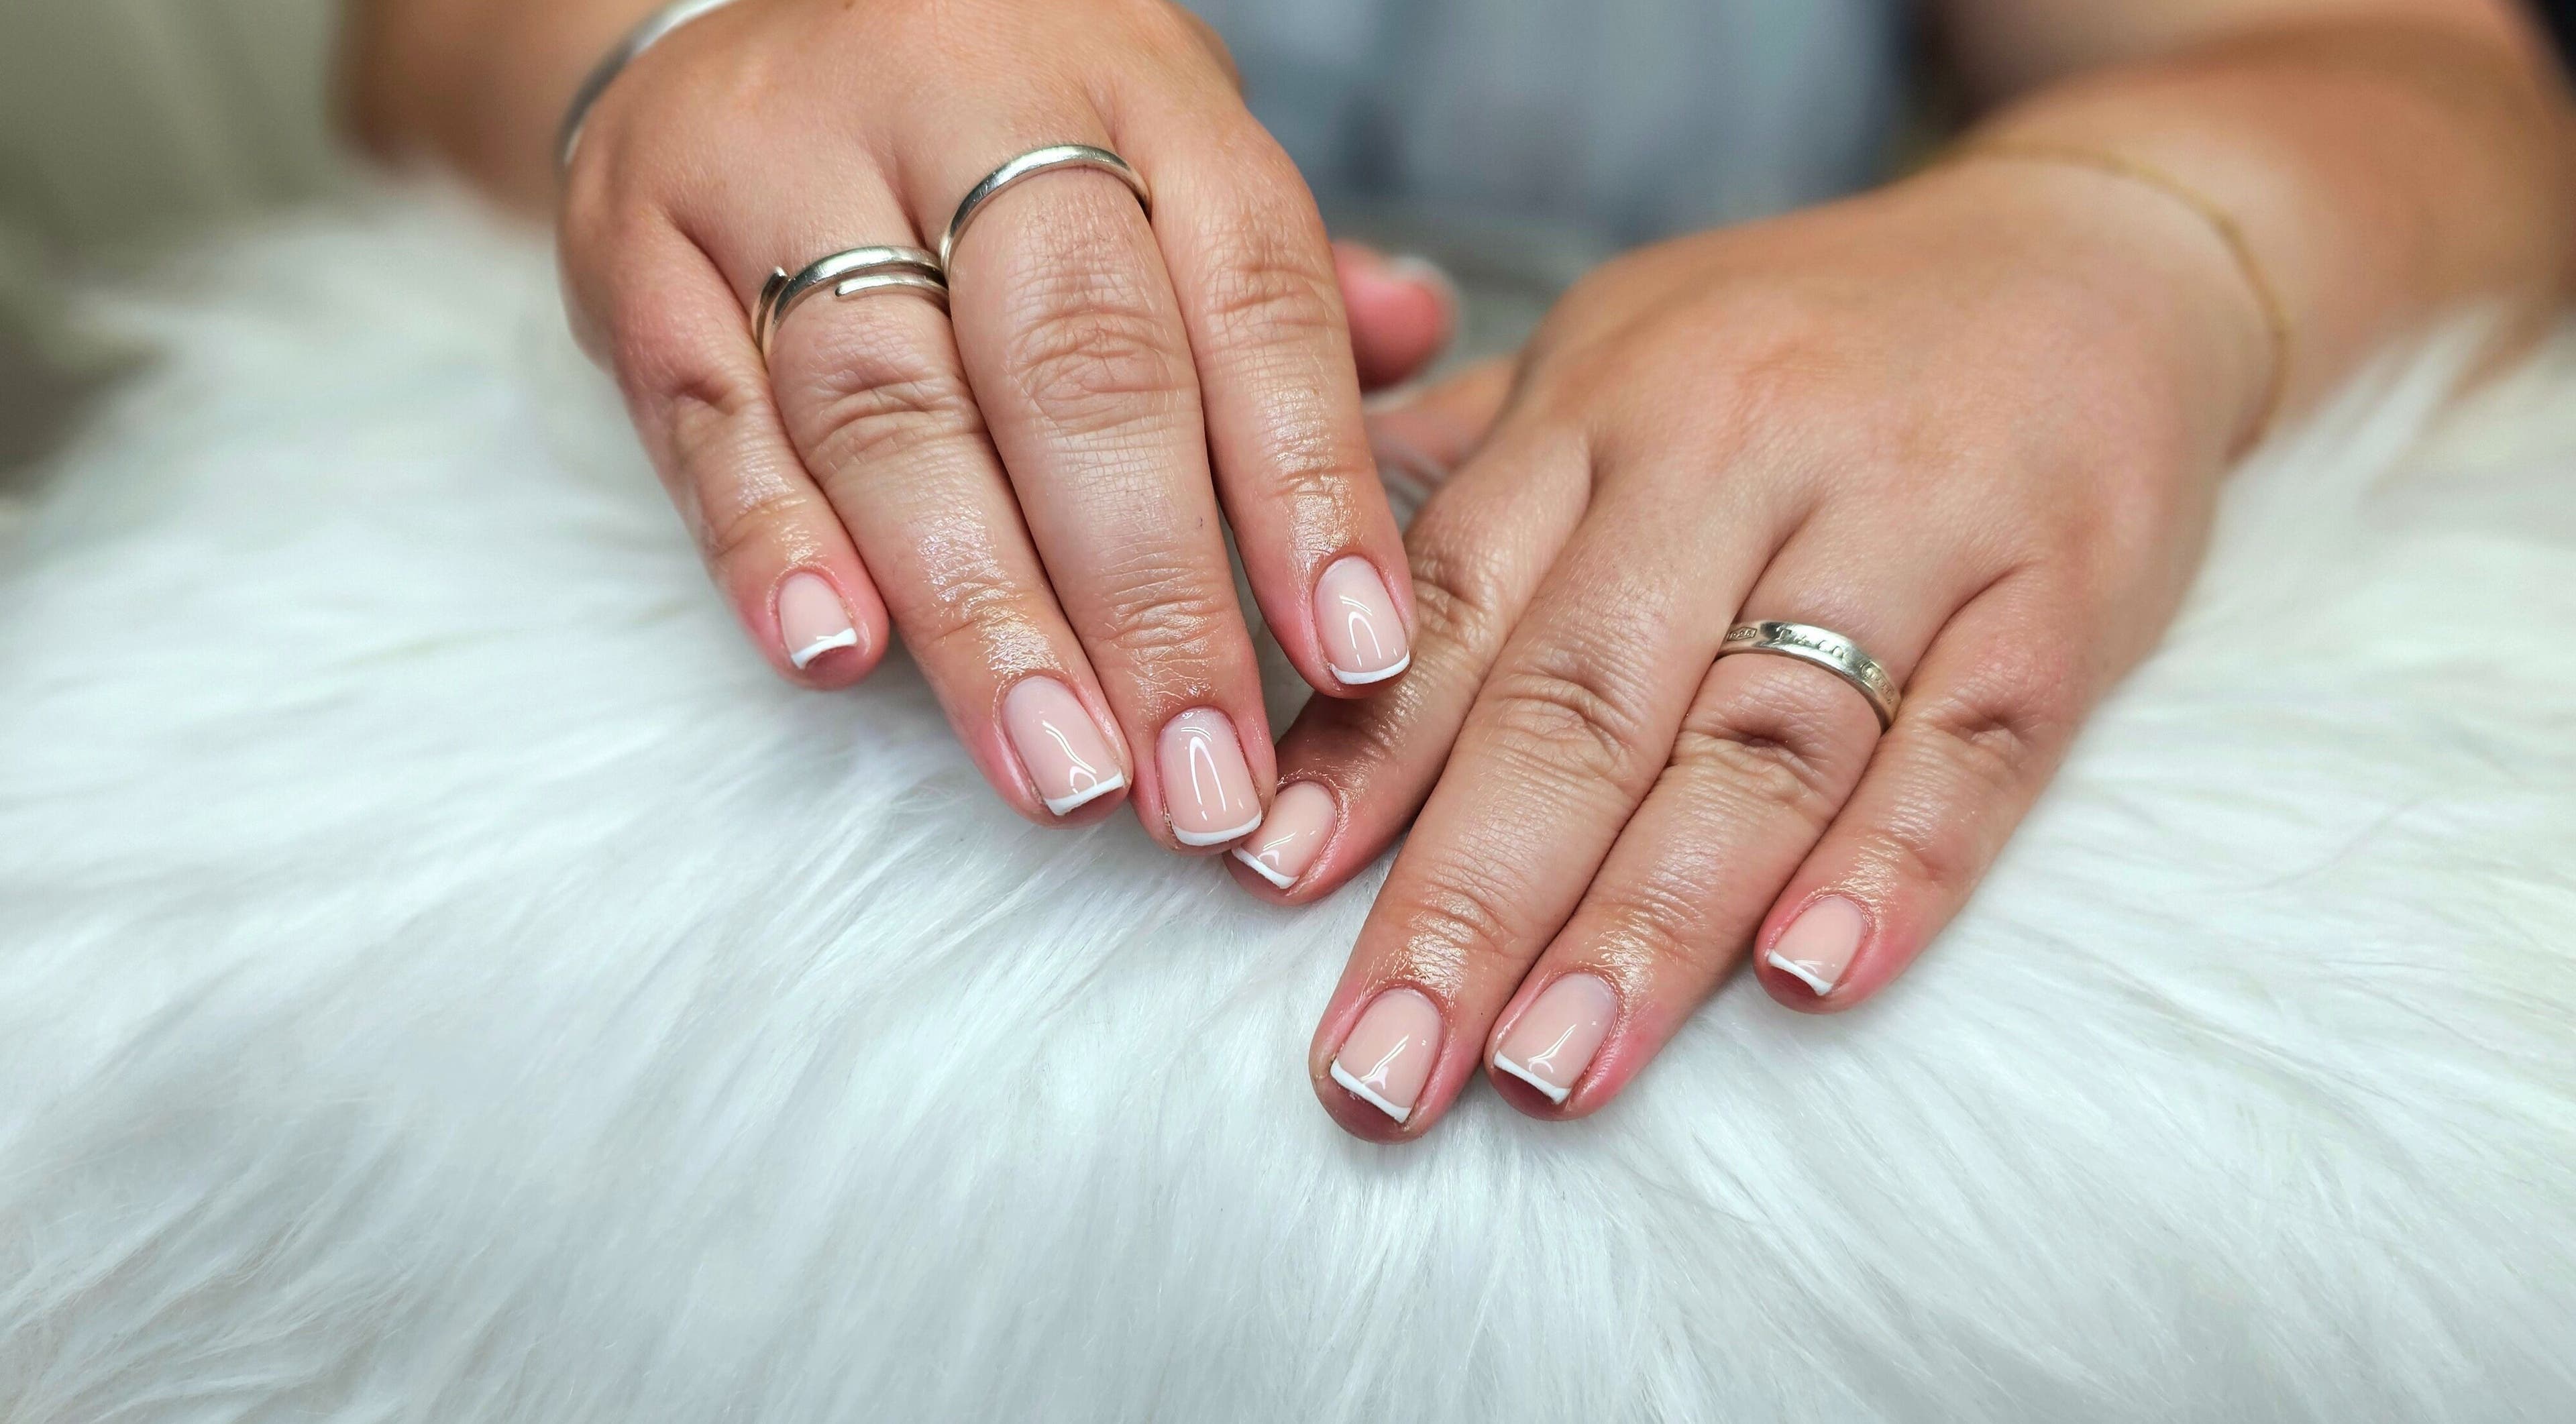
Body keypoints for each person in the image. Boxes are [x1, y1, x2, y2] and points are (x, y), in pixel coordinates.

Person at [342, 0, 2575, 1142]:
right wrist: (672, 56)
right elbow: (410, 46)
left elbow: (2430, 86)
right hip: (667, 779)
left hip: (1760, 526)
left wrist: (2130, 239)